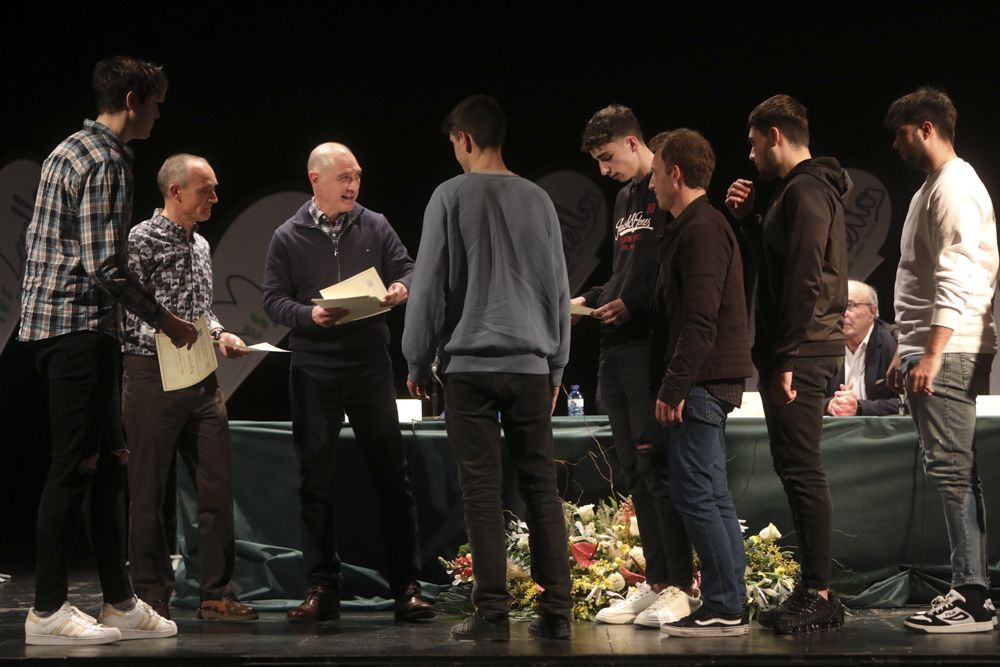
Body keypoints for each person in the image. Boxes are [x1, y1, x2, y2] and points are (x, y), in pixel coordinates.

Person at [19, 55, 194, 645]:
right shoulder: (105, 159)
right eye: (155, 102)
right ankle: (46, 611)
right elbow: (104, 266)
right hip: (77, 328)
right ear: (131, 101)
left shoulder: (68, 149)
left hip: (77, 328)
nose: (158, 113)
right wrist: (165, 319)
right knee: (74, 467)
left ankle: (120, 601)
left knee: (110, 466)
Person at [403, 95, 572, 641]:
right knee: (541, 488)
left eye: (453, 142)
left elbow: (427, 286)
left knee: (481, 491)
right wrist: (557, 366)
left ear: (466, 138)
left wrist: (415, 357)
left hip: (469, 369)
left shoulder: (448, 196)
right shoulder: (539, 199)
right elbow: (557, 287)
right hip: (529, 367)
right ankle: (558, 614)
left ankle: (493, 615)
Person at [262, 142, 432, 623]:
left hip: (368, 365)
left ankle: (407, 586)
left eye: (357, 176)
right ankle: (323, 588)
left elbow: (409, 269)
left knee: (392, 478)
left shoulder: (374, 224)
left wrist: (403, 287)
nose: (353, 185)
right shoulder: (287, 236)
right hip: (313, 367)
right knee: (315, 480)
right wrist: (309, 314)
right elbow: (273, 301)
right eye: (344, 177)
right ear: (316, 180)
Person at [725, 94, 849, 634]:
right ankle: (812, 589)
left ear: (775, 134)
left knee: (802, 472)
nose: (750, 156)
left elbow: (803, 281)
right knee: (796, 471)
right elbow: (784, 270)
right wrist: (749, 220)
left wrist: (784, 360)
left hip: (803, 352)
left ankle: (819, 592)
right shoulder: (796, 193)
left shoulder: (806, 190)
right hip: (800, 349)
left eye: (753, 144)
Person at [122, 154, 258, 622]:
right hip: (151, 375)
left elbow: (204, 311)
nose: (215, 199)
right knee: (148, 490)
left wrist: (222, 335)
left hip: (201, 379)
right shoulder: (140, 239)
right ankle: (150, 597)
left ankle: (215, 592)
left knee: (216, 486)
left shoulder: (200, 245)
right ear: (176, 191)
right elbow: (124, 313)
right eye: (207, 190)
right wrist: (172, 334)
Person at [575, 105, 696, 628]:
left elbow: (674, 272)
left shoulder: (666, 186)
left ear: (631, 143)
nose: (604, 170)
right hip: (614, 346)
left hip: (650, 348)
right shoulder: (624, 197)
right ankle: (657, 582)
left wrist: (636, 304)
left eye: (607, 158)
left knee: (659, 469)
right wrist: (592, 298)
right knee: (633, 471)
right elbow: (627, 270)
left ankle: (682, 587)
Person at [884, 87, 998, 633]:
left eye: (901, 133)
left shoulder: (954, 186)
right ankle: (971, 589)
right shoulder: (933, 187)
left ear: (926, 127)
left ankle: (972, 595)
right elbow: (919, 278)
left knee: (953, 471)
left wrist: (928, 351)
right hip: (934, 347)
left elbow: (958, 274)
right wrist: (907, 348)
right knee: (954, 470)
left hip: (950, 349)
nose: (896, 144)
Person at [648, 129, 753, 637]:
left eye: (655, 172)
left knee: (696, 494)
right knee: (710, 493)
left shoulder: (702, 228)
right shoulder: (695, 225)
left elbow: (700, 320)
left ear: (676, 173)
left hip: (702, 380)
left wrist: (674, 387)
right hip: (705, 378)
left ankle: (722, 605)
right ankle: (729, 601)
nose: (650, 184)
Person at [825, 280, 900, 416]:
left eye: (850, 305)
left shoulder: (894, 343)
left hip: (881, 433)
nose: (843, 313)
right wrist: (829, 404)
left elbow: (906, 402)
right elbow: (802, 395)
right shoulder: (825, 344)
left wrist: (860, 407)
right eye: (838, 306)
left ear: (872, 312)